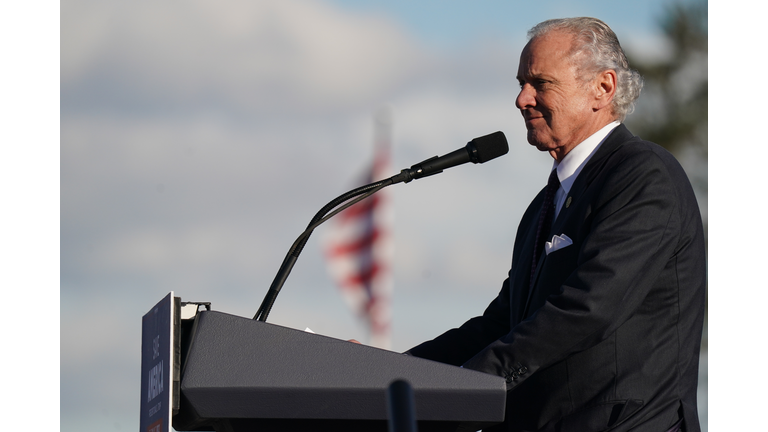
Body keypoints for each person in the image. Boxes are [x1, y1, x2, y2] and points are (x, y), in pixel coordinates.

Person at [405, 17, 706, 432]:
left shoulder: (644, 176)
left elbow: (587, 308)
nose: (521, 99)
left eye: (540, 83)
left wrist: (465, 389)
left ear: (603, 88)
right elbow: (502, 324)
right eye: (520, 83)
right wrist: (394, 375)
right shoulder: (543, 206)